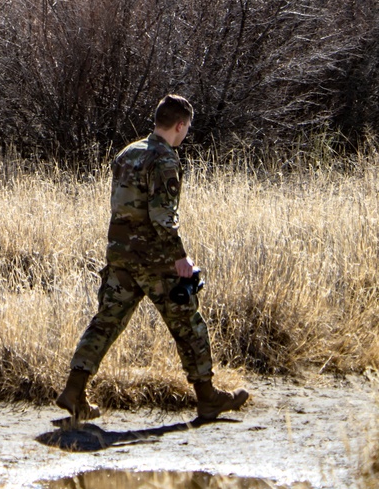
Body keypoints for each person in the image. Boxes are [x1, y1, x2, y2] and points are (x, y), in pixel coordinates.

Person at [57, 94, 249, 423]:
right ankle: (208, 398)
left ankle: (74, 391)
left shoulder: (127, 153)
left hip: (120, 256)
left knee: (105, 323)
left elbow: (122, 207)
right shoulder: (166, 160)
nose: (186, 132)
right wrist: (180, 258)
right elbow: (163, 216)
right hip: (156, 260)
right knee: (189, 325)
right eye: (186, 127)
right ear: (180, 125)